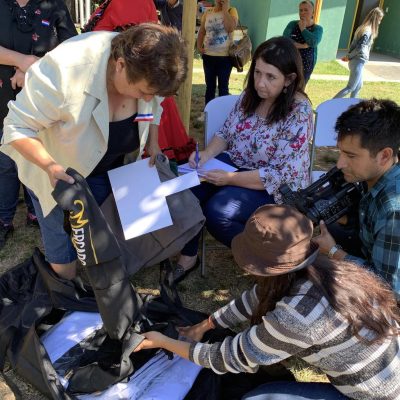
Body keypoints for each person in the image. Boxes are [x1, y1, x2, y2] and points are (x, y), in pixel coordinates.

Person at [134, 204, 400, 399]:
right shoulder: (326, 269)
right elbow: (256, 297)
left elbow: (228, 358)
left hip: (372, 396)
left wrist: (163, 342)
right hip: (387, 380)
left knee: (258, 398)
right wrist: (206, 325)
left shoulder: (296, 316)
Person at [1, 24, 188, 280]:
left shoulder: (151, 70)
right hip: (54, 169)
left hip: (105, 164)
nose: (148, 98)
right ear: (120, 65)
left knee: (104, 242)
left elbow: (156, 105)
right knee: (65, 267)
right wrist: (50, 167)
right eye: (143, 92)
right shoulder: (64, 71)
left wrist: (153, 143)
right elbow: (16, 128)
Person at [173, 36, 313, 283]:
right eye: (257, 72)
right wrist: (206, 155)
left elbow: (278, 174)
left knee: (219, 212)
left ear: (289, 80)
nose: (260, 83)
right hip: (235, 165)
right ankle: (189, 255)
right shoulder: (250, 95)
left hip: (273, 186)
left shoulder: (299, 111)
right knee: (188, 192)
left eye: (271, 77)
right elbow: (226, 133)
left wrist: (229, 179)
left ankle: (269, 263)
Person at [0, 0, 77, 250]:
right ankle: (4, 219)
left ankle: (38, 210)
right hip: (3, 93)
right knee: (5, 161)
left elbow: (71, 49)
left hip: (42, 95)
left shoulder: (54, 4)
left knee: (40, 153)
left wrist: (34, 68)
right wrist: (22, 60)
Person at [313, 98, 400, 302]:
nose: (340, 163)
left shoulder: (393, 210)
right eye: (340, 152)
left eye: (351, 156)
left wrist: (334, 252)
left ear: (384, 156)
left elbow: (388, 290)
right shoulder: (374, 176)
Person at [333, 7, 384, 99]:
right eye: (380, 20)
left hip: (357, 61)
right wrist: (348, 56)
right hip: (357, 61)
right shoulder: (368, 30)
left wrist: (349, 56)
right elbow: (360, 47)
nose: (380, 22)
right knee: (350, 87)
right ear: (376, 19)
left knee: (358, 86)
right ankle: (329, 105)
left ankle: (353, 106)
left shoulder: (363, 28)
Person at [197, 0, 238, 106]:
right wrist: (199, 46)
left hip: (225, 58)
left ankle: (223, 114)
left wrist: (225, 10)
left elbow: (230, 28)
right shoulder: (208, 12)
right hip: (208, 56)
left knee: (223, 88)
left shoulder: (231, 11)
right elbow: (202, 31)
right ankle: (208, 113)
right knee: (210, 87)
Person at [283, 0, 323, 84]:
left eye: (306, 10)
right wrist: (303, 46)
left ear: (313, 12)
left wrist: (303, 29)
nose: (302, 12)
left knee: (300, 89)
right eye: (301, 10)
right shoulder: (292, 24)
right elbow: (285, 40)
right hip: (290, 62)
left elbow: (313, 42)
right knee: (286, 85)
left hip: (306, 65)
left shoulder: (317, 28)